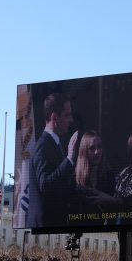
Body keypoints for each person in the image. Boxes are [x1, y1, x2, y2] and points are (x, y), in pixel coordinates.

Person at [27, 92, 77, 227]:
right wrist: (69, 159)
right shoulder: (43, 145)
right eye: (67, 115)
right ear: (54, 117)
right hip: (44, 226)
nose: (71, 120)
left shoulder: (53, 143)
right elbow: (46, 185)